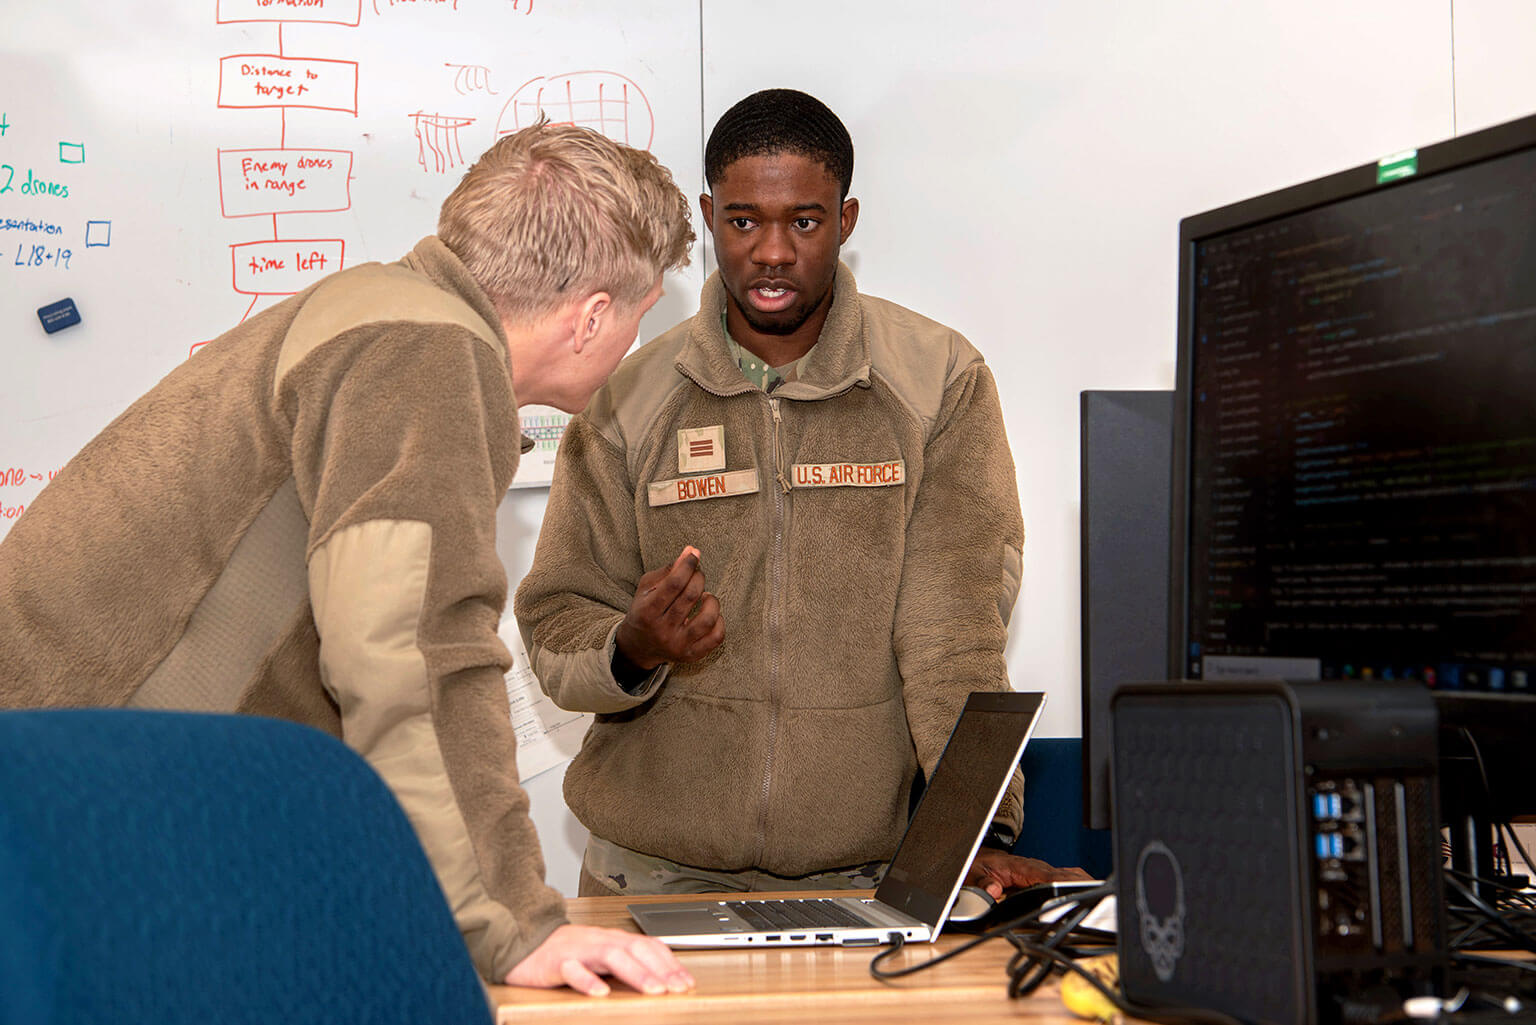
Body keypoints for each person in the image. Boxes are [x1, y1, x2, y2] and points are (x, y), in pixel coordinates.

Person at [0, 121, 697, 997]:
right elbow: (410, 657)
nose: (631, 344)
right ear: (593, 314)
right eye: (636, 318)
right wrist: (512, 924)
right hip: (77, 818)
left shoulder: (381, 315)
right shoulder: (426, 353)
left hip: (67, 789)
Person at [514, 89, 1087, 898]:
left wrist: (975, 833)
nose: (773, 251)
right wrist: (632, 645)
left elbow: (954, 635)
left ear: (846, 221)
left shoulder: (938, 382)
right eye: (744, 222)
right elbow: (554, 616)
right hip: (645, 878)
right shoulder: (627, 396)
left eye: (805, 222)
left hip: (860, 879)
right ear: (710, 218)